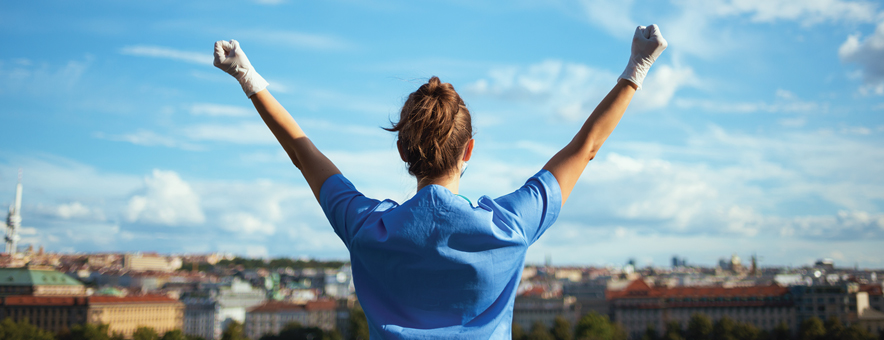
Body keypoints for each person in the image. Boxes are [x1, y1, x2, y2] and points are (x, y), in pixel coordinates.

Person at [214, 24, 666, 339]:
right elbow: (584, 148)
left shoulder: (367, 227)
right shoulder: (508, 227)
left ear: (402, 151)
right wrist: (636, 69)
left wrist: (247, 77)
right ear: (469, 150)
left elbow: (302, 153)